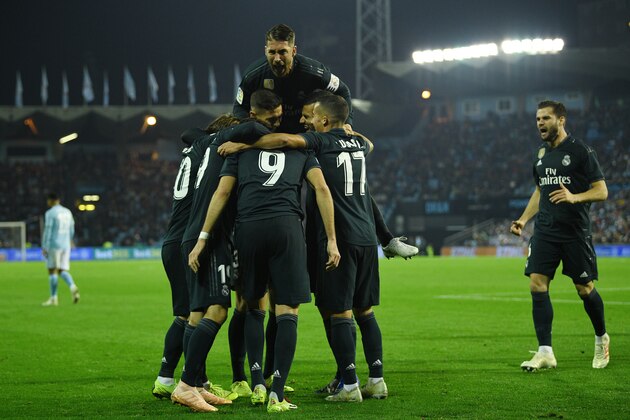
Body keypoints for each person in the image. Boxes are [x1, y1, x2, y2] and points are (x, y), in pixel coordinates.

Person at [223, 94, 388, 402]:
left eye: (312, 117)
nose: (307, 122)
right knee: (365, 310)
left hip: (341, 233)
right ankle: (376, 378)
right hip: (367, 236)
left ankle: (349, 385)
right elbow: (371, 145)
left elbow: (286, 141)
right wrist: (351, 131)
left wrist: (246, 145)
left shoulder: (319, 142)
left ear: (324, 121)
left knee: (339, 311)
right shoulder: (359, 145)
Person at [189, 90, 341, 414]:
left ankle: (256, 381)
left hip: (248, 229)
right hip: (286, 229)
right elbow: (322, 190)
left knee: (251, 305)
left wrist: (203, 238)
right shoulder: (302, 150)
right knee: (287, 311)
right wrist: (331, 239)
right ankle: (277, 393)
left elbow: (222, 192)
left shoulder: (238, 151)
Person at [233, 24, 417, 260]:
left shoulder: (314, 71)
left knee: (348, 180)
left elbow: (344, 91)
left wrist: (347, 121)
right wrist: (248, 132)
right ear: (265, 50)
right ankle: (238, 245)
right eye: (272, 52)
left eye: (283, 52)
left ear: (294, 50)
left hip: (310, 138)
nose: (277, 58)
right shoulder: (253, 74)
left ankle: (387, 240)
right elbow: (239, 108)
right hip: (272, 138)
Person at [171, 95, 286, 413]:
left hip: (197, 234)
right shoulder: (233, 139)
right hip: (210, 238)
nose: (268, 127)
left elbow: (190, 133)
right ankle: (185, 385)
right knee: (218, 311)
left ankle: (194, 384)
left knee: (197, 314)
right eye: (268, 121)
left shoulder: (208, 144)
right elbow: (256, 129)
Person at [510, 100, 609, 371]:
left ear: (561, 120)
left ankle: (601, 338)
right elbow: (540, 191)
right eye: (538, 119)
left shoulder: (580, 151)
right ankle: (545, 352)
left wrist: (574, 197)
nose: (540, 123)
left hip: (575, 232)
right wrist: (522, 219)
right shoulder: (540, 153)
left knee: (584, 289)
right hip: (545, 230)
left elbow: (601, 191)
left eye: (546, 118)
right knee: (537, 284)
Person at [151, 115, 241, 401]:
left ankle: (179, 379)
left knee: (189, 312)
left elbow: (188, 132)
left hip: (173, 238)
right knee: (192, 313)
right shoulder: (211, 150)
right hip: (188, 240)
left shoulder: (196, 148)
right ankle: (185, 381)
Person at [41, 193, 80, 306]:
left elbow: (48, 230)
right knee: (62, 270)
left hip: (54, 244)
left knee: (52, 270)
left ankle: (53, 298)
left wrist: (45, 247)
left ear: (51, 201)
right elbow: (71, 229)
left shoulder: (50, 213)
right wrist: (69, 240)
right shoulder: (68, 212)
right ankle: (72, 286)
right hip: (65, 245)